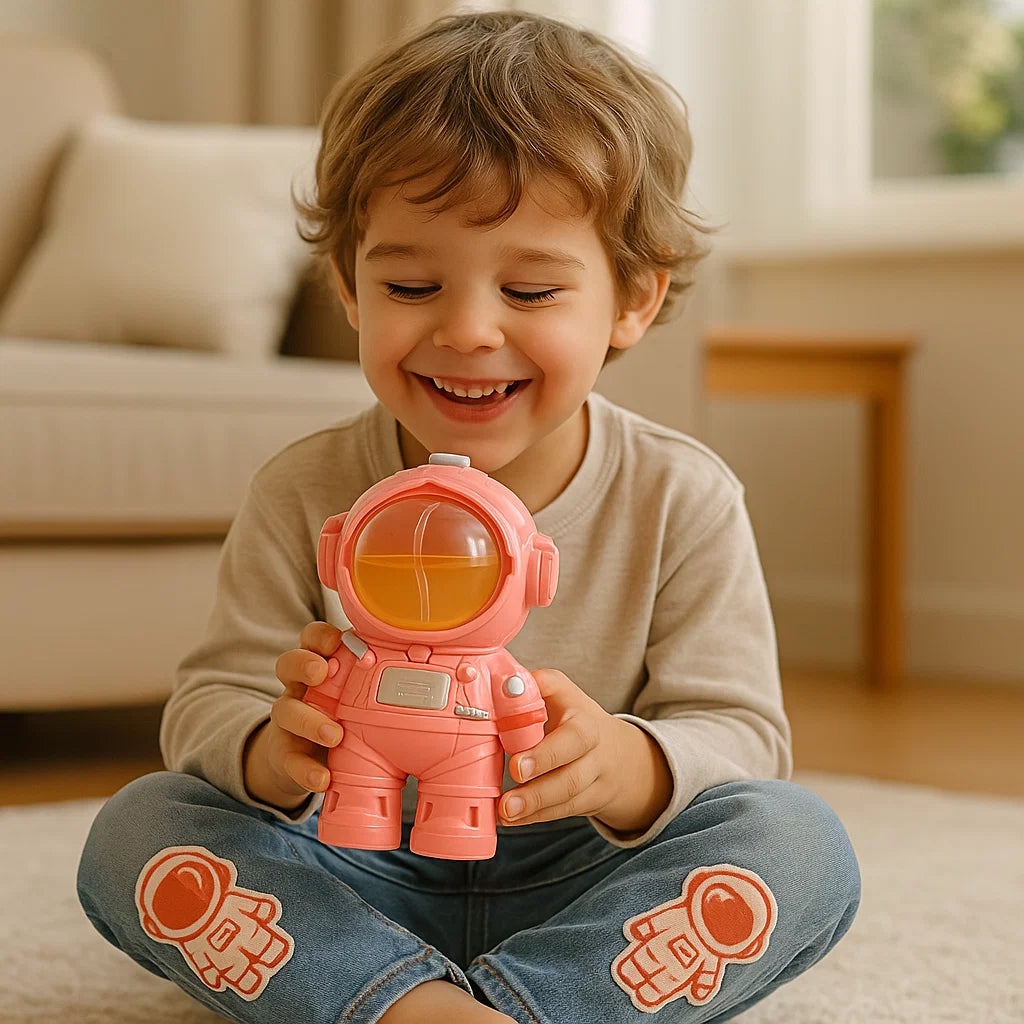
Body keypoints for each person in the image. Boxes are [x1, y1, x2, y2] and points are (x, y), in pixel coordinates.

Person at [77, 10, 860, 1024]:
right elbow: (207, 699)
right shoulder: (302, 490)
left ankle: (520, 1005)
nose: (466, 329)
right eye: (409, 283)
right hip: (351, 865)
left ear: (631, 299)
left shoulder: (681, 493)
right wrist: (272, 748)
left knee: (801, 846)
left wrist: (627, 765)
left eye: (530, 288)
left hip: (584, 874)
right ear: (349, 289)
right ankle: (402, 1002)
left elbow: (745, 733)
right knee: (140, 827)